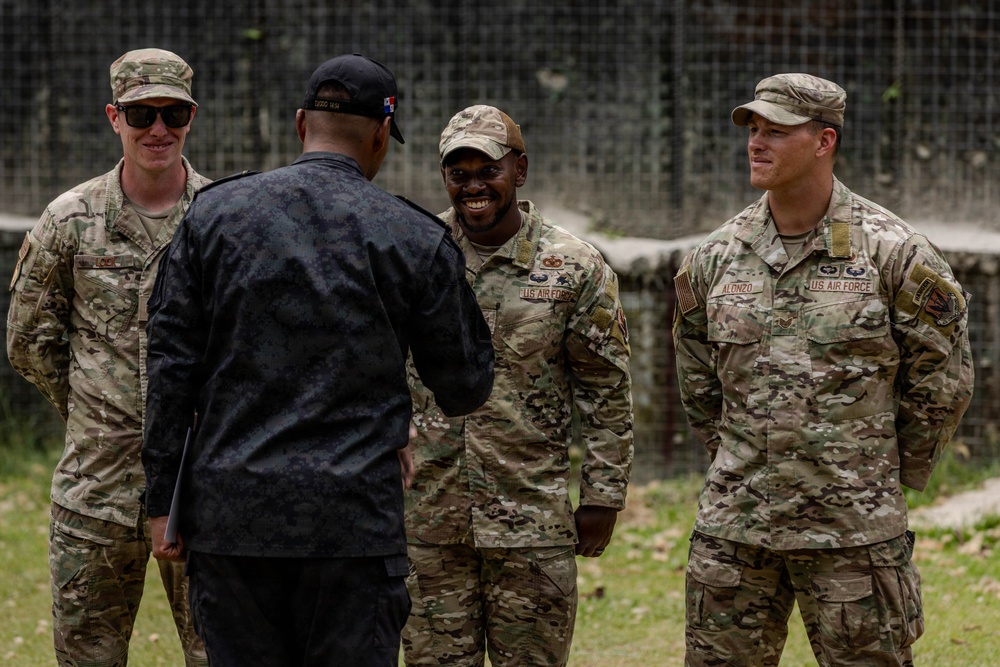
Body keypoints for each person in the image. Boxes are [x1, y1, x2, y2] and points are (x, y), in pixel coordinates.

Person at [140, 54, 495, 667]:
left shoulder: (213, 218)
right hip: (351, 529)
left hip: (232, 523)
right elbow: (465, 385)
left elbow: (170, 366)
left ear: (301, 124)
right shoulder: (411, 237)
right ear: (382, 134)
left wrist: (158, 501)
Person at [672, 73, 974, 667]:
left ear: (823, 140)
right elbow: (697, 376)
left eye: (777, 132)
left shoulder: (892, 252)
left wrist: (880, 475)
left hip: (853, 533)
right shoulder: (715, 257)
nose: (756, 143)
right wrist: (739, 460)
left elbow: (942, 380)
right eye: (753, 130)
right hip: (736, 530)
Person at [401, 104, 634, 667]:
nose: (474, 186)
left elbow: (605, 389)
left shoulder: (574, 266)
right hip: (428, 522)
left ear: (519, 171)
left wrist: (603, 496)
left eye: (489, 170)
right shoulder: (413, 254)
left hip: (531, 522)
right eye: (460, 173)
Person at [6, 48, 209, 666]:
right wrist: (97, 410)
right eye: (140, 113)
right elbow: (28, 339)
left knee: (222, 654)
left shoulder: (222, 218)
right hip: (96, 491)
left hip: (202, 488)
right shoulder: (69, 221)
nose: (157, 129)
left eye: (172, 113)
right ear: (112, 116)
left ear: (191, 117)